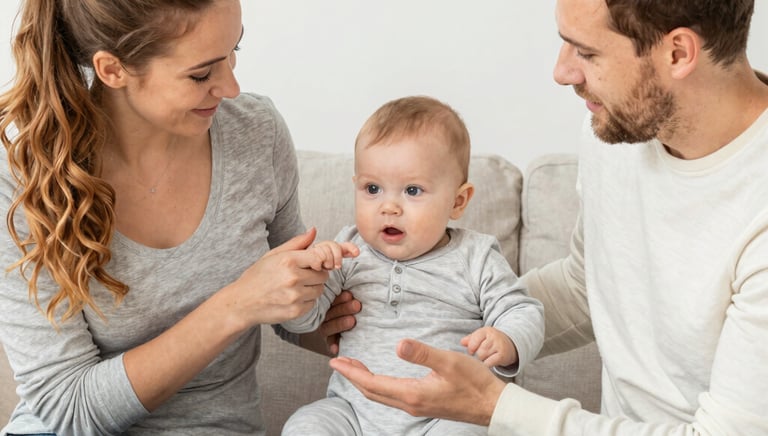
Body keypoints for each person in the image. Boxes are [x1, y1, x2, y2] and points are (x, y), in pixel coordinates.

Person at [327, 0, 768, 434]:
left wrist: (492, 405)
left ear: (677, 53)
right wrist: (411, 312)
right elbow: (588, 286)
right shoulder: (619, 132)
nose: (562, 72)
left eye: (587, 52)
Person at [0, 1, 341, 435]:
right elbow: (67, 409)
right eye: (201, 74)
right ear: (113, 70)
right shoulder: (24, 176)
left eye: (234, 51)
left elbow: (296, 315)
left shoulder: (257, 134)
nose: (231, 87)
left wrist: (394, 309)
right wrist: (234, 306)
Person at [280, 96, 545, 435]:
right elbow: (303, 322)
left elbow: (523, 310)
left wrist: (506, 339)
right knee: (307, 424)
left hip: (444, 415)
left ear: (458, 201)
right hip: (354, 411)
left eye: (413, 190)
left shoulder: (475, 256)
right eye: (372, 188)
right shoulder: (348, 250)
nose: (389, 207)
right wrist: (311, 281)